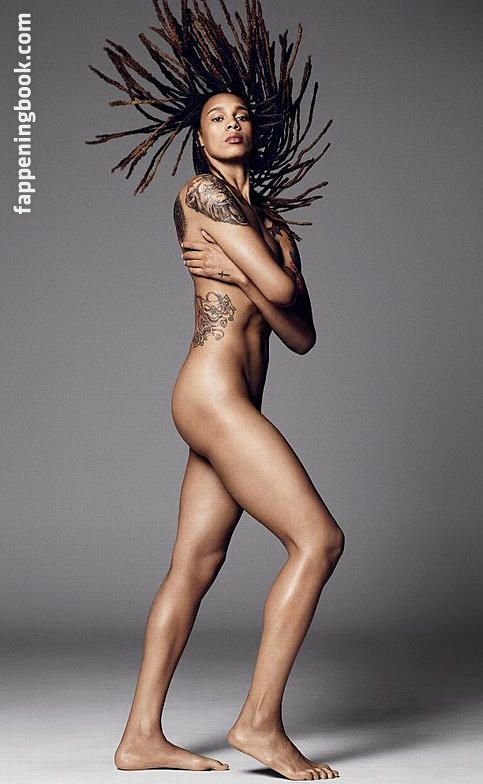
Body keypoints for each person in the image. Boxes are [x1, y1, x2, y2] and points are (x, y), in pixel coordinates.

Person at [86, 2, 344, 780]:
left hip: (233, 403)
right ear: (199, 138)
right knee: (318, 541)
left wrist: (244, 273)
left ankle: (139, 738)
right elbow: (281, 291)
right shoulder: (201, 195)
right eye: (216, 118)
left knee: (194, 564)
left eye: (240, 116)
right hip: (211, 393)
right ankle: (259, 723)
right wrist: (265, 278)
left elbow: (301, 337)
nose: (231, 124)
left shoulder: (275, 225)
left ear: (253, 132)